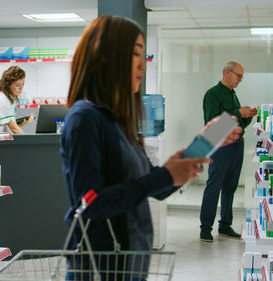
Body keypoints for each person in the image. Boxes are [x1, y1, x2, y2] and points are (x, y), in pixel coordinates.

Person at [60, 15, 241, 281]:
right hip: (100, 269)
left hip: (130, 264)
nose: (141, 66)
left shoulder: (118, 121)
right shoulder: (84, 119)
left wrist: (206, 142)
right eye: (135, 54)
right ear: (106, 57)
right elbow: (90, 205)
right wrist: (164, 176)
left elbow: (159, 185)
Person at [199, 61, 256, 242]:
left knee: (230, 187)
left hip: (236, 145)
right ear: (227, 73)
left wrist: (247, 115)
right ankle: (205, 228)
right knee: (214, 187)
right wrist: (238, 113)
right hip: (220, 146)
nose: (240, 80)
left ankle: (225, 225)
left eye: (241, 77)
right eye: (238, 76)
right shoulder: (213, 94)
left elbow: (237, 122)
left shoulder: (233, 95)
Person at [0, 66, 34, 134]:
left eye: (23, 84)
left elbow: (8, 126)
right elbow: (14, 129)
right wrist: (30, 143)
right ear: (8, 85)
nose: (21, 88)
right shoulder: (2, 99)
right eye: (17, 85)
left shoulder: (9, 98)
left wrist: (23, 123)